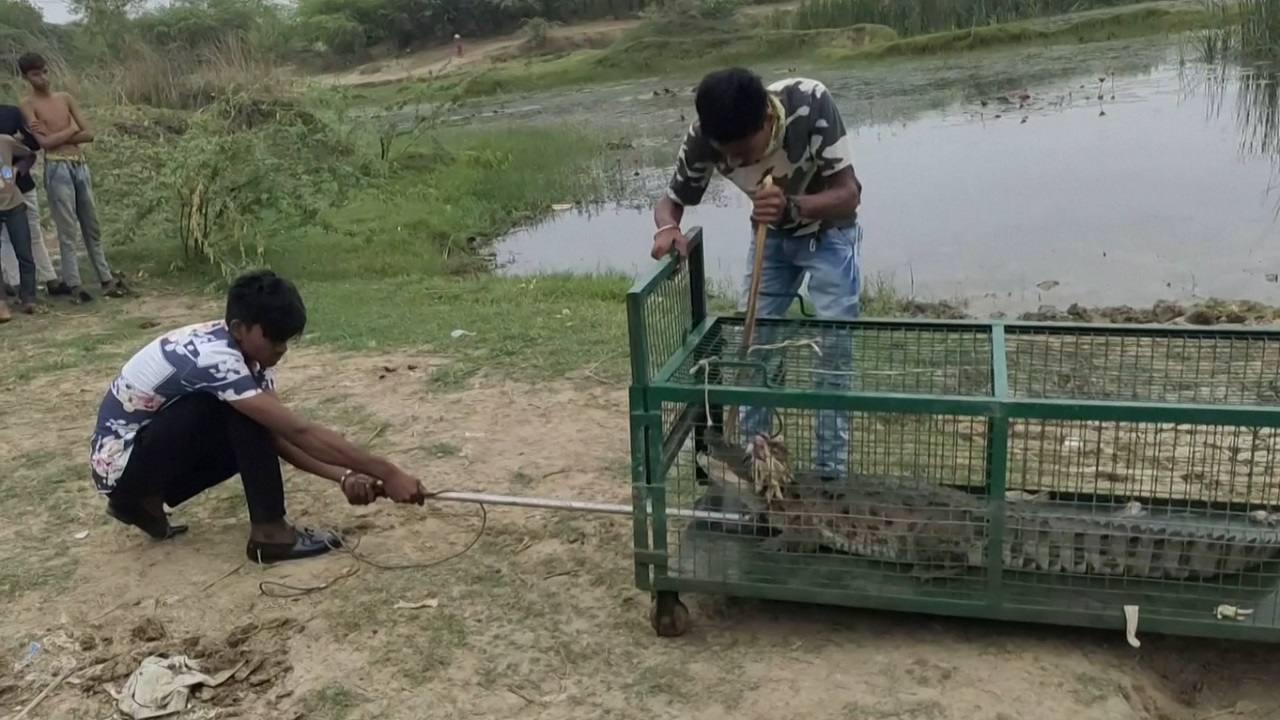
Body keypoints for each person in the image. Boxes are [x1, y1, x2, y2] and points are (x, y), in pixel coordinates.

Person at [89, 269, 429, 563]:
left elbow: (279, 436)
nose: (281, 348)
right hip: (122, 464)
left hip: (141, 461)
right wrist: (387, 471)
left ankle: (144, 503)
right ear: (239, 328)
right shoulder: (215, 359)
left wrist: (345, 477)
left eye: (287, 339)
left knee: (254, 416)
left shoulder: (248, 356)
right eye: (274, 338)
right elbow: (297, 430)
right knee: (241, 413)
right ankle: (270, 533)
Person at [651, 67, 863, 478]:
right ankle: (758, 466)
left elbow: (849, 196)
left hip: (829, 234)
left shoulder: (810, 103)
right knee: (752, 351)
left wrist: (793, 207)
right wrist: (667, 228)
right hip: (770, 240)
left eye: (743, 154)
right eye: (724, 153)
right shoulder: (706, 134)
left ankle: (829, 477)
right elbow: (671, 200)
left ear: (768, 119)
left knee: (832, 355)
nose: (731, 163)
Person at [17, 51, 125, 303]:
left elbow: (89, 134)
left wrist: (60, 134)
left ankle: (106, 278)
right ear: (26, 77)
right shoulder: (28, 104)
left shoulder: (64, 98)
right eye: (36, 74)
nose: (43, 78)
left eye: (45, 72)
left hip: (79, 164)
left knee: (91, 224)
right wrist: (71, 128)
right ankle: (74, 284)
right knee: (67, 229)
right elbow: (45, 144)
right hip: (56, 168)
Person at [0, 102, 71, 301]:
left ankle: (49, 278)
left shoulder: (10, 112)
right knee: (5, 239)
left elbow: (32, 144)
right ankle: (16, 284)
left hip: (20, 183)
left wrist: (17, 164)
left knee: (33, 232)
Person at [0, 131, 41, 321]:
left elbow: (29, 154)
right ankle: (1, 305)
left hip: (14, 204)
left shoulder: (4, 141)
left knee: (24, 252)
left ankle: (29, 299)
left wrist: (18, 169)